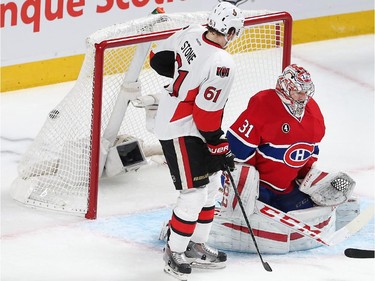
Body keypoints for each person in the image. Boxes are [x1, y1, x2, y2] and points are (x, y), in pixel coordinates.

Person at [207, 64, 356, 254]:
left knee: (305, 215)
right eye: (298, 92)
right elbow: (237, 153)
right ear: (285, 87)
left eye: (306, 92)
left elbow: (310, 151)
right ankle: (222, 213)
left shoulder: (313, 114)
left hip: (285, 187)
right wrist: (242, 186)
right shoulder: (263, 105)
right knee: (248, 202)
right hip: (259, 187)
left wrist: (307, 178)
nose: (304, 97)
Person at [149, 2, 244, 279]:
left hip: (186, 122)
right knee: (194, 194)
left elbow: (158, 59)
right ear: (230, 32)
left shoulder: (192, 31)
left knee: (211, 184)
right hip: (180, 127)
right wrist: (218, 143)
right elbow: (205, 113)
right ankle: (175, 249)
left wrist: (186, 77)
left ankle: (195, 245)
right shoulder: (223, 64)